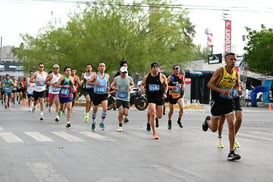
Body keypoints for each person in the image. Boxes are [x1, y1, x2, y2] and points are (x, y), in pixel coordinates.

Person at [202, 52, 241, 161]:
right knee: (214, 128)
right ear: (226, 61)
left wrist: (238, 90)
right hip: (217, 101)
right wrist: (221, 91)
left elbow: (237, 84)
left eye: (235, 59)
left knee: (231, 125)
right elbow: (209, 84)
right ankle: (207, 122)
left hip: (228, 101)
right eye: (231, 59)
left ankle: (231, 152)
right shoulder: (220, 71)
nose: (233, 61)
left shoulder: (235, 73)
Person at [217, 67, 243, 149]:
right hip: (225, 97)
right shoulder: (223, 72)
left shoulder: (237, 72)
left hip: (235, 97)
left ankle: (233, 138)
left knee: (239, 118)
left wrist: (239, 88)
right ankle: (219, 139)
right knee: (222, 119)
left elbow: (238, 84)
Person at [141, 62, 168, 140]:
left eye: (157, 67)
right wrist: (142, 88)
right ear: (151, 69)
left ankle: (152, 113)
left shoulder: (162, 76)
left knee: (159, 116)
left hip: (160, 97)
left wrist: (165, 93)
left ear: (159, 69)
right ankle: (154, 133)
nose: (155, 69)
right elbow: (142, 84)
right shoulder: (147, 77)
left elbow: (166, 86)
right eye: (154, 67)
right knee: (153, 113)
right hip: (151, 97)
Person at [111, 66, 135, 132]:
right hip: (119, 97)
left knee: (126, 113)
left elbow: (133, 84)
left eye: (125, 72)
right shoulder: (117, 79)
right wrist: (115, 88)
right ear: (120, 72)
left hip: (126, 98)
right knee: (121, 111)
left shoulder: (129, 78)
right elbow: (112, 85)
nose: (124, 74)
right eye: (123, 72)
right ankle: (120, 125)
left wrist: (130, 87)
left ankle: (123, 117)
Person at [87, 62, 110, 131]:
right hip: (96, 94)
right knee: (95, 110)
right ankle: (93, 122)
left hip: (104, 94)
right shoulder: (95, 75)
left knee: (105, 108)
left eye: (103, 66)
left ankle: (102, 122)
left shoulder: (107, 75)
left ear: (105, 68)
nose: (102, 67)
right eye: (100, 66)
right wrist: (95, 83)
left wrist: (108, 87)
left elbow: (107, 83)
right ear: (98, 68)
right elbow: (88, 82)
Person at [167, 65, 185, 130]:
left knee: (182, 107)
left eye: (178, 68)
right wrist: (172, 87)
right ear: (173, 70)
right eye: (176, 68)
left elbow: (183, 83)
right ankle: (169, 120)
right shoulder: (170, 77)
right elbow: (165, 85)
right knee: (171, 110)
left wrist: (183, 87)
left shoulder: (181, 76)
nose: (177, 70)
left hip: (179, 95)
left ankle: (179, 120)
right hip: (171, 95)